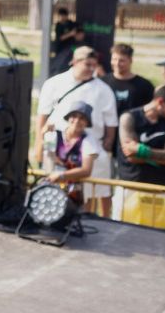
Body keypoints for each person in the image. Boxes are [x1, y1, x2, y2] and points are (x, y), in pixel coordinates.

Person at [33, 46, 118, 216]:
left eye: (94, 65)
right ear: (75, 62)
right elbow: (42, 116)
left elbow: (111, 122)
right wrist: (39, 146)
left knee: (91, 192)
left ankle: (90, 221)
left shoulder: (103, 89)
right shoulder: (54, 83)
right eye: (87, 64)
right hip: (57, 147)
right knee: (54, 189)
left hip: (90, 148)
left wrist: (106, 145)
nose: (91, 69)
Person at [116, 83, 165, 188]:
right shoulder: (129, 118)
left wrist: (142, 150)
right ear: (160, 102)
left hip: (161, 187)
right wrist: (161, 158)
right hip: (131, 185)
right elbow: (131, 155)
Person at [39, 102, 99, 206]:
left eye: (82, 118)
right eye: (74, 116)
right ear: (68, 118)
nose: (77, 121)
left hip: (74, 195)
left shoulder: (88, 140)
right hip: (51, 190)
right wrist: (43, 135)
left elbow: (86, 170)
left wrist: (62, 175)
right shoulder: (55, 135)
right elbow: (44, 158)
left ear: (87, 122)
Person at [101, 43, 156, 117]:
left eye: (122, 60)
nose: (117, 63)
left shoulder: (144, 85)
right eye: (114, 59)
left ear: (130, 60)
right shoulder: (103, 82)